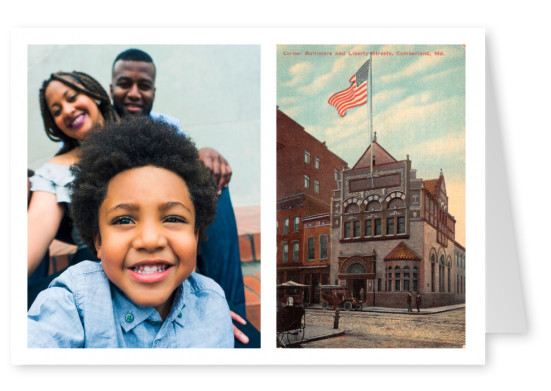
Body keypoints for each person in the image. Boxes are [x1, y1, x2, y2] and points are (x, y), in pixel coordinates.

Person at [28, 116, 234, 348]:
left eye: (173, 218)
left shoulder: (212, 305)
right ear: (99, 241)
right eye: (124, 219)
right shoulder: (74, 300)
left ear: (195, 236)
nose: (150, 240)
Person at [110, 49, 258, 347]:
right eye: (125, 84)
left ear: (154, 90)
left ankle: (231, 313)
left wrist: (205, 153)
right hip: (129, 227)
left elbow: (189, 165)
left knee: (211, 180)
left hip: (169, 221)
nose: (135, 93)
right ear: (112, 87)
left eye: (145, 85)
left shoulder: (166, 126)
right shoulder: (100, 127)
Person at [28, 71, 118, 282]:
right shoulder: (54, 172)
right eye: (56, 111)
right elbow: (35, 229)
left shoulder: (144, 138)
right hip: (93, 273)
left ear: (93, 94)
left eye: (72, 97)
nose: (67, 111)